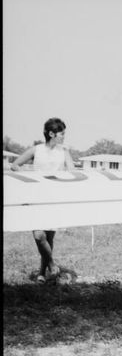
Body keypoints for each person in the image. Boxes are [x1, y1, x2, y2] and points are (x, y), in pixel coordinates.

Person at [11, 117, 74, 283]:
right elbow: (15, 165)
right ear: (52, 133)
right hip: (36, 197)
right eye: (62, 133)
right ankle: (52, 265)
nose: (64, 136)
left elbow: (72, 171)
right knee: (39, 236)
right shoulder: (36, 150)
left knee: (49, 238)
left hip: (55, 198)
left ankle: (41, 273)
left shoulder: (64, 151)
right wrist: (30, 177)